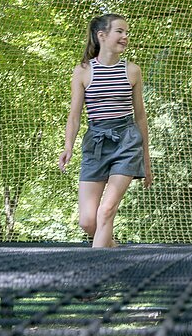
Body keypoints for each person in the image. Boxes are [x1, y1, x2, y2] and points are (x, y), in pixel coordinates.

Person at [59, 14, 152, 248]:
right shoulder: (82, 71)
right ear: (102, 36)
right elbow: (74, 115)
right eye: (120, 31)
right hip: (96, 143)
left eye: (126, 32)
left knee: (106, 211)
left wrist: (146, 162)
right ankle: (112, 248)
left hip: (126, 142)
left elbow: (140, 117)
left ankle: (98, 278)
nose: (125, 36)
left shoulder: (132, 71)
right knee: (88, 222)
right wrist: (68, 146)